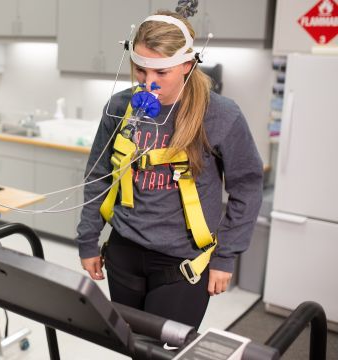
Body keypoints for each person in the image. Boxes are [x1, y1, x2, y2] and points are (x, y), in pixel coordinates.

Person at [75, 10, 263, 329]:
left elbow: (247, 186)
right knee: (131, 345)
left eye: (162, 72)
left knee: (164, 352)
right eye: (141, 69)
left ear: (187, 64)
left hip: (183, 262)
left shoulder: (220, 115)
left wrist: (226, 256)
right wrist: (88, 239)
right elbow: (99, 175)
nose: (149, 83)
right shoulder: (120, 108)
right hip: (124, 253)